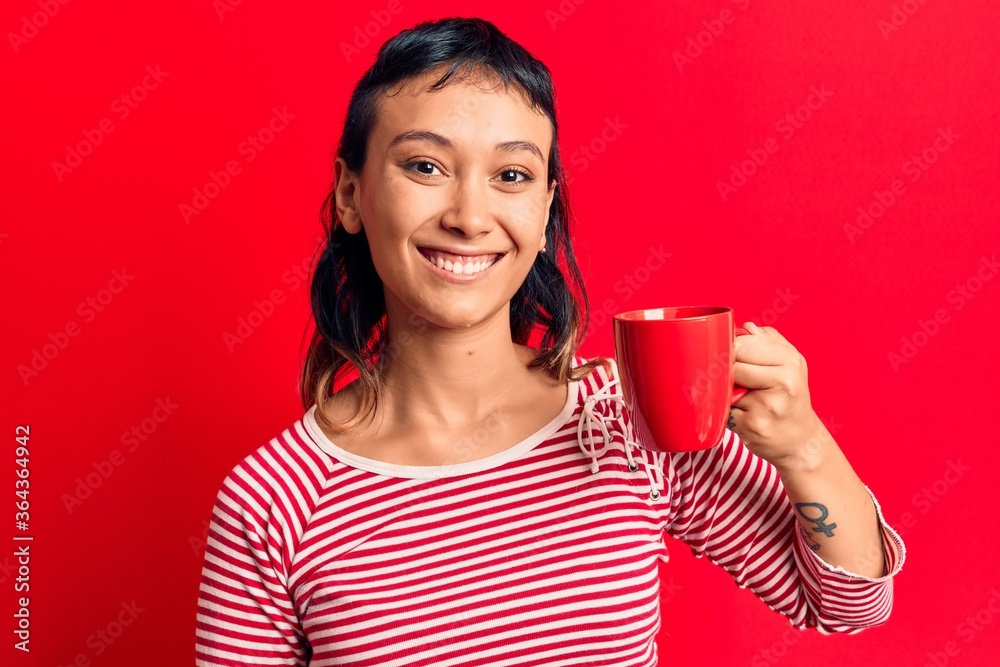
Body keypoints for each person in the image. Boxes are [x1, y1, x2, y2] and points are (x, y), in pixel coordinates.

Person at [195, 16, 906, 666]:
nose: (470, 216)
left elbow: (848, 604)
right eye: (425, 166)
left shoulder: (628, 421)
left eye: (511, 175)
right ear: (351, 194)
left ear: (544, 214)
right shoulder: (272, 501)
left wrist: (804, 445)